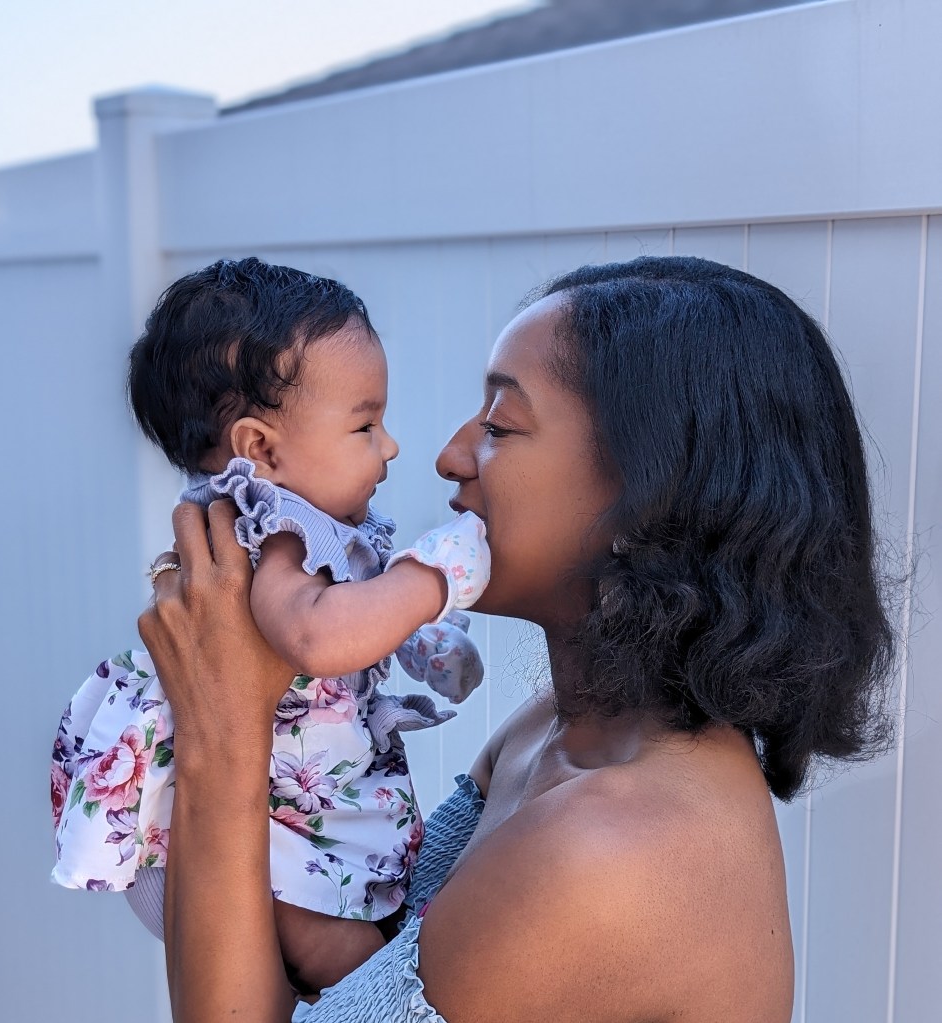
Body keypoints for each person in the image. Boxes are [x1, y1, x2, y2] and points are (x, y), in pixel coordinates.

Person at [138, 256, 895, 1022]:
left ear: (645, 500)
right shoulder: (549, 732)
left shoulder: (605, 849)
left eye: (499, 426)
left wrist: (220, 731)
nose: (448, 456)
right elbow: (338, 985)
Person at [50, 258, 492, 993]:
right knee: (353, 964)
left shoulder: (297, 518)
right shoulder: (275, 524)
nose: (389, 446)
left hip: (274, 796)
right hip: (266, 811)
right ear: (260, 449)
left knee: (357, 940)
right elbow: (315, 634)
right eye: (365, 425)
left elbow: (350, 599)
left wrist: (419, 638)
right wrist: (431, 580)